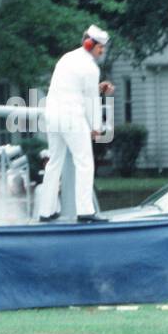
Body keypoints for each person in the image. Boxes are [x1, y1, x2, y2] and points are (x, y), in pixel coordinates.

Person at [36, 25, 115, 223]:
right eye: (100, 47)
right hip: (72, 117)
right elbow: (90, 100)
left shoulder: (67, 58)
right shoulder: (90, 67)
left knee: (54, 162)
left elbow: (73, 89)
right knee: (85, 162)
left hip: (53, 115)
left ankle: (46, 211)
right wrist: (96, 127)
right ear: (90, 44)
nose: (102, 51)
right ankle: (86, 210)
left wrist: (97, 89)